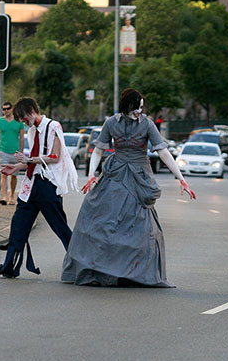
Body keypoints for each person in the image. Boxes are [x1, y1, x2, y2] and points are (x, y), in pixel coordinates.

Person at [61, 88, 196, 287]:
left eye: (141, 108)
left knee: (138, 226)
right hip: (115, 173)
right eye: (136, 108)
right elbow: (98, 150)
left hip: (139, 177)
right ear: (127, 106)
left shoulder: (147, 124)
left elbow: (164, 153)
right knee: (100, 219)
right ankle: (99, 270)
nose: (139, 112)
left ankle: (134, 273)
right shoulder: (110, 123)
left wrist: (181, 178)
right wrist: (91, 175)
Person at [0, 97, 79, 278]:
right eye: (22, 121)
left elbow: (55, 156)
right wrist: (17, 167)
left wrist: (28, 160)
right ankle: (9, 266)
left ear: (33, 110)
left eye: (25, 118)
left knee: (60, 227)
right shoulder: (33, 132)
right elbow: (34, 160)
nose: (25, 123)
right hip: (31, 184)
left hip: (48, 185)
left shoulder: (53, 126)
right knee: (18, 224)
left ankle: (82, 263)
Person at [0, 101, 25, 205]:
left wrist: (21, 153)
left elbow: (22, 138)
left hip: (15, 152)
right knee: (3, 174)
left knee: (14, 175)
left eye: (8, 108)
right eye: (4, 109)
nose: (6, 111)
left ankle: (11, 196)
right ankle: (4, 197)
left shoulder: (19, 122)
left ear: (12, 109)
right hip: (3, 151)